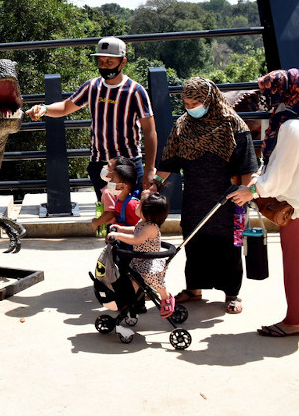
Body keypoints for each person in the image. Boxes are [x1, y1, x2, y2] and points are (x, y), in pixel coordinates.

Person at [230, 68, 299, 337]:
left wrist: (253, 191)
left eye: (270, 92)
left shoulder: (290, 127)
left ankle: (294, 321)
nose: (266, 98)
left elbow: (281, 175)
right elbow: (281, 165)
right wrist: (261, 175)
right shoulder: (298, 121)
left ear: (285, 93)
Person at [152, 77, 257, 315]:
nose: (190, 108)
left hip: (228, 200)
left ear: (209, 99)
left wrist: (247, 192)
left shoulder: (234, 125)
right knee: (194, 242)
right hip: (194, 198)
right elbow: (169, 162)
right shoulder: (182, 126)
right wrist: (155, 184)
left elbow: (247, 166)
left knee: (229, 246)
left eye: (195, 102)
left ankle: (232, 293)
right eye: (186, 103)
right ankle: (194, 288)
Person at [26, 36, 157, 193]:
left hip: (127, 164)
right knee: (105, 211)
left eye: (110, 62)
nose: (104, 66)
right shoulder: (92, 86)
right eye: (101, 62)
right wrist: (44, 109)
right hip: (99, 164)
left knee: (130, 210)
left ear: (123, 62)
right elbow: (66, 107)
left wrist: (149, 169)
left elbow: (150, 131)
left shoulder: (135, 91)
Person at [107, 191, 174, 317]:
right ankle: (130, 301)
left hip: (150, 260)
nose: (137, 205)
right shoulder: (143, 222)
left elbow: (136, 239)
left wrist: (117, 235)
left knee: (151, 277)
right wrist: (121, 228)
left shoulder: (151, 227)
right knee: (133, 279)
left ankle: (165, 296)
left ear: (147, 212)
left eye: (140, 205)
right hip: (140, 259)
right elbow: (135, 229)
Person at [91, 156, 141, 233]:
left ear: (122, 186)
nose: (104, 167)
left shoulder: (132, 205)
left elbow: (139, 228)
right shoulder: (119, 200)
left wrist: (96, 222)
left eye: (112, 179)